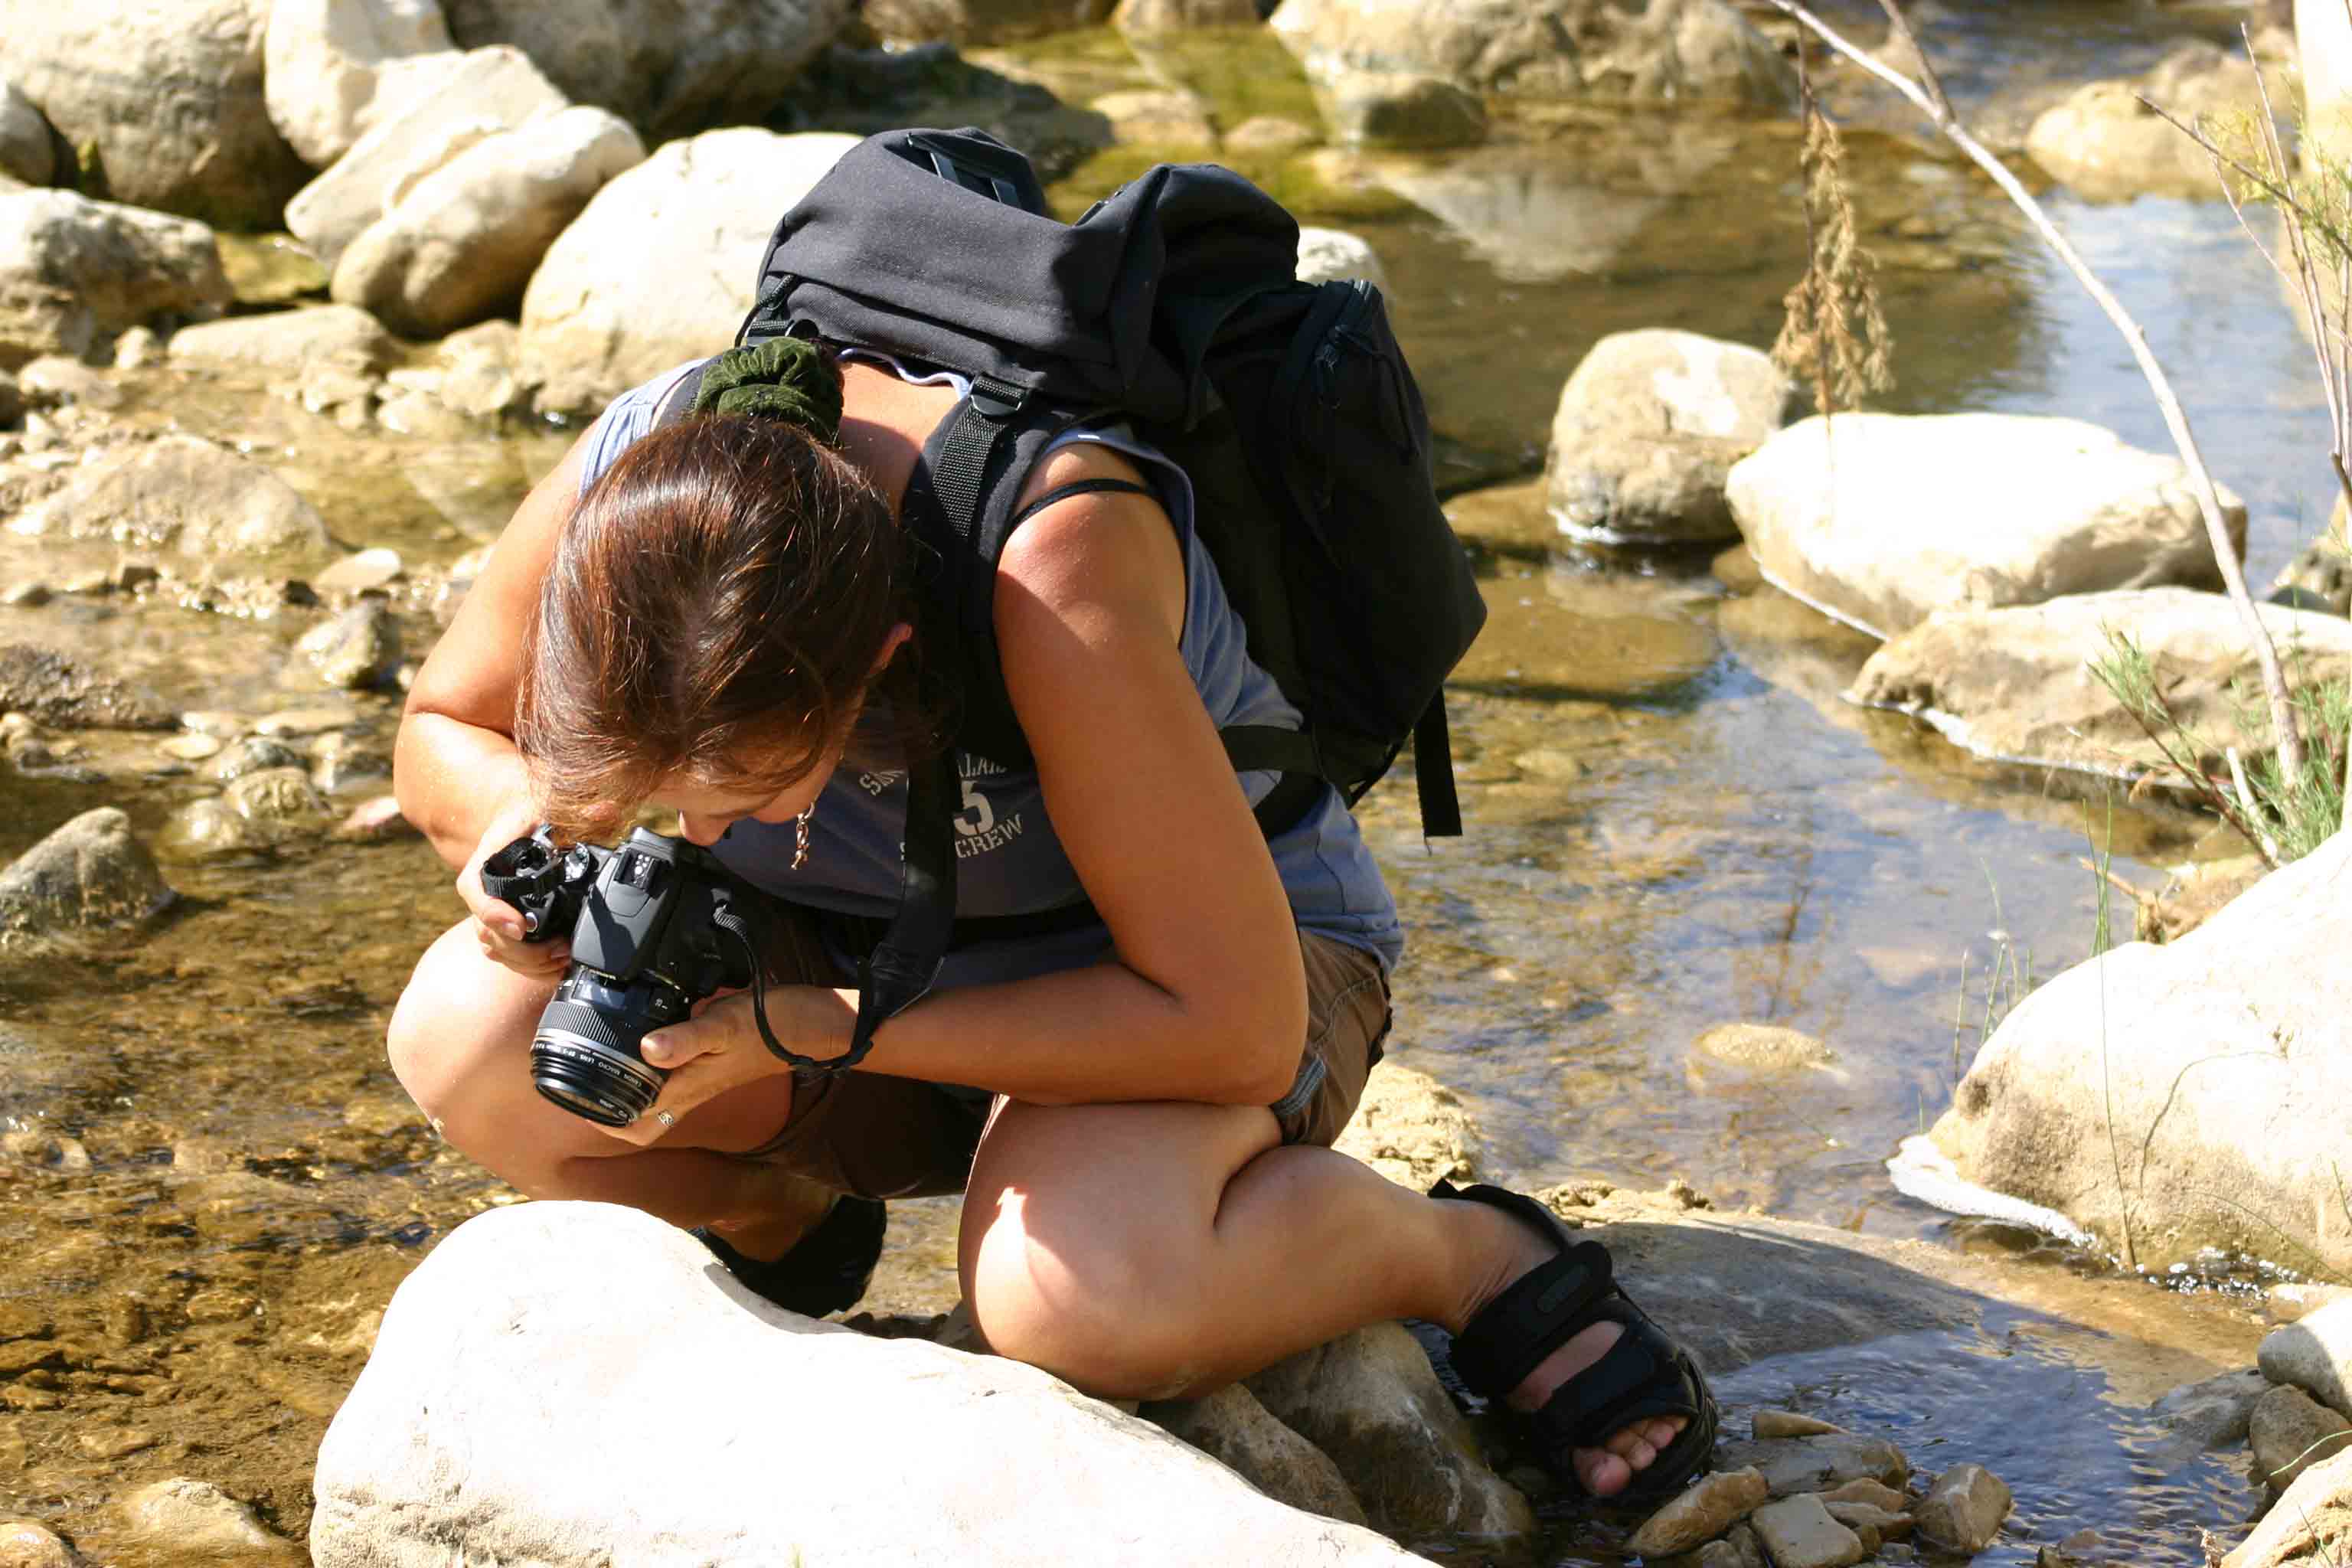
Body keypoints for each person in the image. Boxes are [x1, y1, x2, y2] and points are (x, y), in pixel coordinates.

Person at [387, 335, 1712, 1499]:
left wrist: (818, 1030)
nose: (707, 837)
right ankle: (784, 1214)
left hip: (1207, 974)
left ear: (883, 668)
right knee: (471, 1040)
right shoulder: (649, 474)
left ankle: (1465, 1260)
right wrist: (524, 833)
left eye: (740, 791)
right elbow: (444, 724)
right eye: (667, 801)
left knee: (1077, 1301)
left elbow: (1236, 1033)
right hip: (853, 971)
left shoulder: (1055, 561)